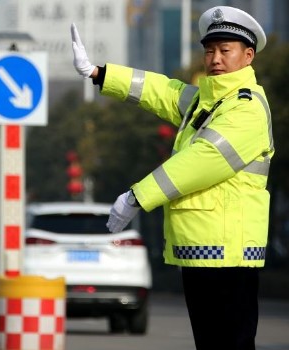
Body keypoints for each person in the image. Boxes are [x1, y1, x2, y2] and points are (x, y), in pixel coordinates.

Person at [70, 6, 273, 350]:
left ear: (248, 55)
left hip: (228, 253)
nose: (215, 59)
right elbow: (160, 90)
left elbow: (202, 160)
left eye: (226, 50)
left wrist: (137, 196)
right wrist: (98, 72)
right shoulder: (207, 102)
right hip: (204, 248)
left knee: (230, 344)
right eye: (210, 51)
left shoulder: (246, 107)